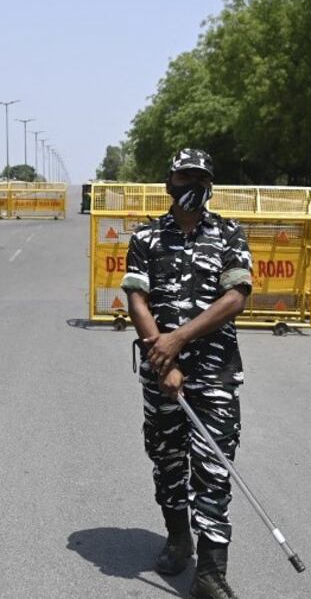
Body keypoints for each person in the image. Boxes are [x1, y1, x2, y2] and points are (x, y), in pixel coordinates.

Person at [121, 149, 253, 599]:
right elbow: (137, 298)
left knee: (214, 467)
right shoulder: (146, 237)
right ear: (168, 182)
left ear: (210, 185)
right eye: (184, 175)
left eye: (200, 177)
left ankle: (211, 574)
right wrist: (164, 359)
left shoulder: (229, 234)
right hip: (162, 374)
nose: (192, 183)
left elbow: (236, 296)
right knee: (168, 460)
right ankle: (179, 540)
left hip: (215, 374)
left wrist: (178, 340)